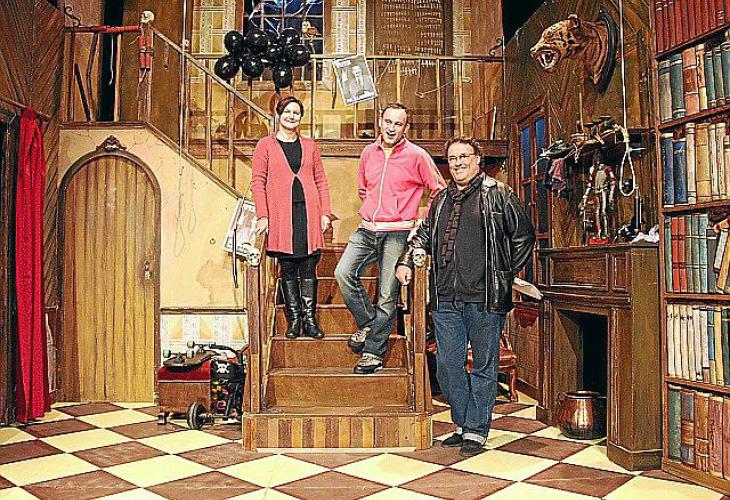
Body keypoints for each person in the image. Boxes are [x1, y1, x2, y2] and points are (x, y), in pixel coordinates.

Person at [395, 137, 535, 457]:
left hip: (484, 298)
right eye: (452, 158)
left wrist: (504, 273)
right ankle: (462, 423)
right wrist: (405, 261)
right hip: (445, 298)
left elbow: (524, 236)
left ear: (477, 159)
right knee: (447, 366)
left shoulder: (499, 194)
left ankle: (476, 429)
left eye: (463, 156)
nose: (457, 163)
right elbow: (423, 235)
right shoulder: (441, 199)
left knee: (484, 366)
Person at [335, 102, 446, 374]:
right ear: (380, 122)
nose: (392, 128)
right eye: (388, 122)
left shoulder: (417, 155)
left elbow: (440, 191)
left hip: (398, 231)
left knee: (387, 295)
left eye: (398, 123)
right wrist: (373, 208)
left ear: (406, 127)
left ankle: (373, 353)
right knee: (343, 273)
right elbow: (364, 190)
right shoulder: (367, 153)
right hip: (367, 229)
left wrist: (421, 221)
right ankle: (368, 323)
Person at [251, 96, 332, 339]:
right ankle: (294, 320)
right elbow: (258, 182)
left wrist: (325, 212)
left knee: (308, 266)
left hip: (308, 213)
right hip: (281, 215)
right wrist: (263, 215)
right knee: (287, 268)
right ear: (278, 114)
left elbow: (321, 180)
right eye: (287, 111)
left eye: (296, 112)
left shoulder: (310, 146)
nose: (291, 116)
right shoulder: (265, 145)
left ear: (301, 117)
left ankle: (310, 320)